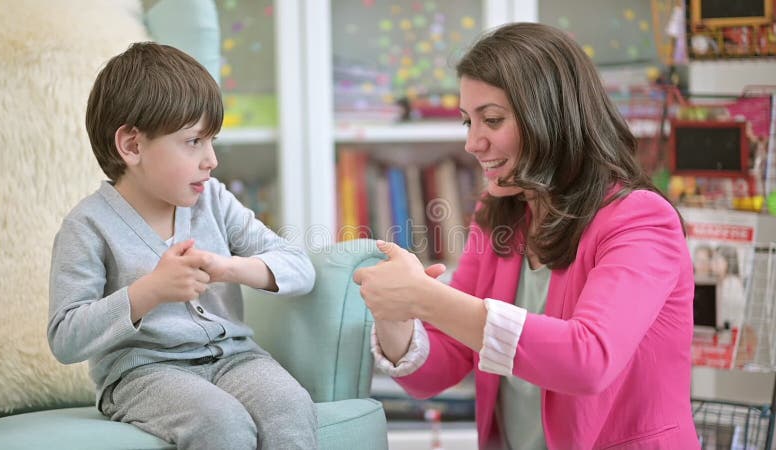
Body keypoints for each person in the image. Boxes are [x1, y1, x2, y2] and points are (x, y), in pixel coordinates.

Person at [354, 23, 699, 449]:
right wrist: (396, 314)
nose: (473, 143)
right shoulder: (502, 214)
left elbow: (587, 360)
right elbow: (441, 365)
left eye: (492, 120)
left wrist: (424, 298)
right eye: (468, 122)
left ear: (550, 117)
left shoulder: (640, 219)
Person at [48, 42, 317, 450]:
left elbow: (300, 267)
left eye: (212, 141)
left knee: (291, 406)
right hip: (143, 375)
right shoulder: (87, 226)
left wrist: (229, 268)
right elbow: (66, 338)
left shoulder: (216, 201)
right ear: (132, 146)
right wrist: (149, 292)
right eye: (193, 142)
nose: (211, 159)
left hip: (235, 359)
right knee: (220, 423)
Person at [711, 245, 747, 329]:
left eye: (717, 260)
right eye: (712, 259)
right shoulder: (721, 281)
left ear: (728, 261)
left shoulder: (733, 283)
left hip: (730, 329)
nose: (712, 263)